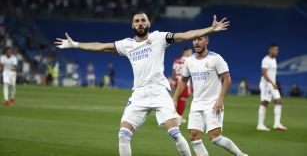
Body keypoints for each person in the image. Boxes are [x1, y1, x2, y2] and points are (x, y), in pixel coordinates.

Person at [55, 12, 229, 156]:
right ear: (132, 25)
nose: (140, 23)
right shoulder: (127, 45)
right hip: (139, 93)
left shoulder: (159, 38)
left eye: (143, 20)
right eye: (136, 21)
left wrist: (210, 29)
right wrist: (75, 44)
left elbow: (185, 35)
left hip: (159, 91)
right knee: (123, 134)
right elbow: (101, 46)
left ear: (148, 23)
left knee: (174, 133)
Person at [173, 36, 248, 156]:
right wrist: (175, 98)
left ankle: (241, 155)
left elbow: (227, 79)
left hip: (213, 104)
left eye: (200, 39)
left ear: (206, 41)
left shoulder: (216, 58)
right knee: (194, 137)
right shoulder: (189, 60)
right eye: (194, 40)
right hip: (197, 104)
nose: (196, 43)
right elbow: (183, 80)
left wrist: (220, 99)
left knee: (215, 137)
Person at [257, 43, 287, 131]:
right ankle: (260, 125)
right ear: (270, 50)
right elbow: (264, 73)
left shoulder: (274, 60)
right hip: (266, 84)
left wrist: (274, 83)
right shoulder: (266, 60)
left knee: (278, 101)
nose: (277, 51)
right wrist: (272, 83)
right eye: (275, 49)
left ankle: (277, 124)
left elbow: (272, 74)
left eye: (277, 50)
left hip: (272, 84)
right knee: (265, 103)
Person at [172, 47, 193, 123]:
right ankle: (179, 117)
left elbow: (174, 73)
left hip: (177, 81)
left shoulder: (177, 60)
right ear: (186, 52)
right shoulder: (189, 61)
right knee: (182, 100)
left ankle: (174, 116)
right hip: (185, 82)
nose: (191, 53)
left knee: (176, 99)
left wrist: (175, 81)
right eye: (190, 52)